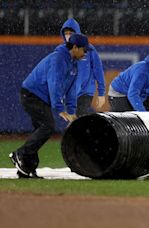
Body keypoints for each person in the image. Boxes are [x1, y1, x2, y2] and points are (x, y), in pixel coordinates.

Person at [9, 33, 90, 178]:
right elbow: (54, 84)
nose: (86, 53)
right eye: (84, 49)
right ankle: (20, 154)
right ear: (75, 47)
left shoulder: (73, 64)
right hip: (31, 95)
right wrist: (59, 108)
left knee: (40, 130)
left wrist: (71, 112)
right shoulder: (58, 59)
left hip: (40, 97)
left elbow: (71, 90)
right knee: (47, 126)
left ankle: (26, 168)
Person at [59, 18, 106, 117]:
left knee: (81, 116)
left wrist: (101, 93)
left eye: (71, 32)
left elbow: (98, 70)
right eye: (66, 33)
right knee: (76, 120)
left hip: (85, 91)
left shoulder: (89, 49)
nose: (68, 35)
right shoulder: (62, 51)